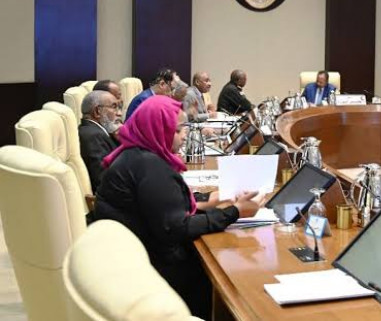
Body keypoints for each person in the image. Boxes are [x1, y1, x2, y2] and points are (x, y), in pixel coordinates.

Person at [94, 96, 260, 319]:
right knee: (234, 276)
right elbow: (176, 227)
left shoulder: (137, 155)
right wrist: (235, 212)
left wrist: (215, 201)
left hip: (132, 260)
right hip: (154, 273)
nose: (184, 136)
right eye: (178, 130)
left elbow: (166, 207)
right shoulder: (150, 166)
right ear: (157, 129)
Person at [78, 90, 120, 190]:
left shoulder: (95, 131)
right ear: (97, 112)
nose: (119, 113)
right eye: (114, 107)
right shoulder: (94, 136)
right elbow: (103, 179)